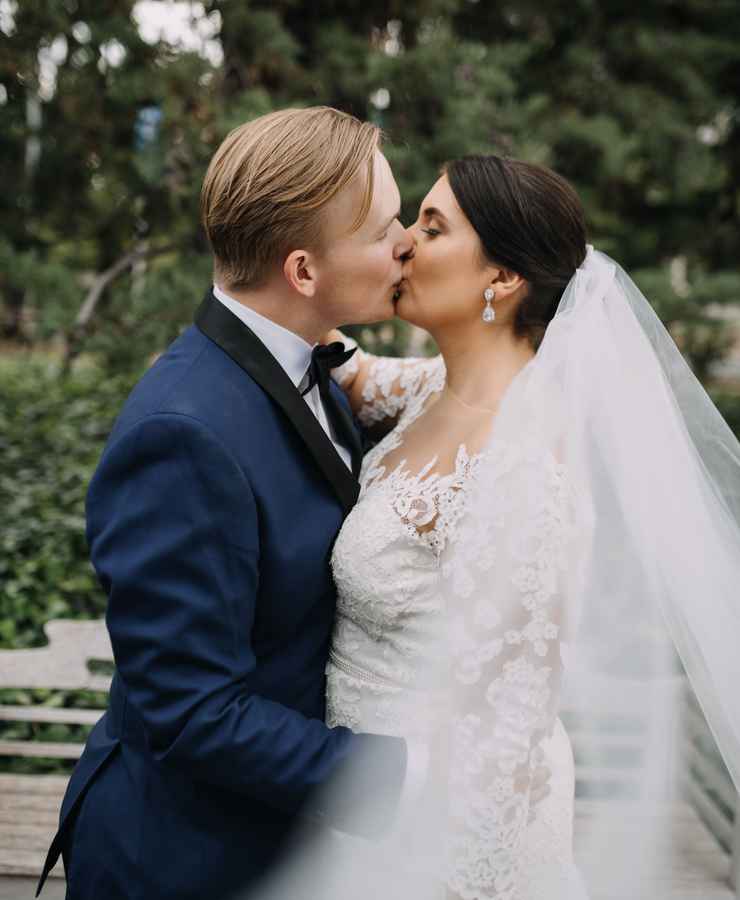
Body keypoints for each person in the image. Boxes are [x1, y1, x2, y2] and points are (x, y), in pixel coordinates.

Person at [319, 155, 740, 899]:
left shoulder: (527, 468)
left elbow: (510, 735)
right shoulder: (422, 392)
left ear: (503, 280)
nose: (405, 243)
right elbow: (340, 365)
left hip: (446, 848)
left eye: (432, 227)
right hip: (354, 802)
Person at [36, 106, 426, 900]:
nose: (407, 243)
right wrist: (408, 778)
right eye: (386, 226)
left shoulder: (309, 365)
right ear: (303, 271)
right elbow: (192, 713)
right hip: (185, 860)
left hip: (283, 841)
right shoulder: (183, 437)